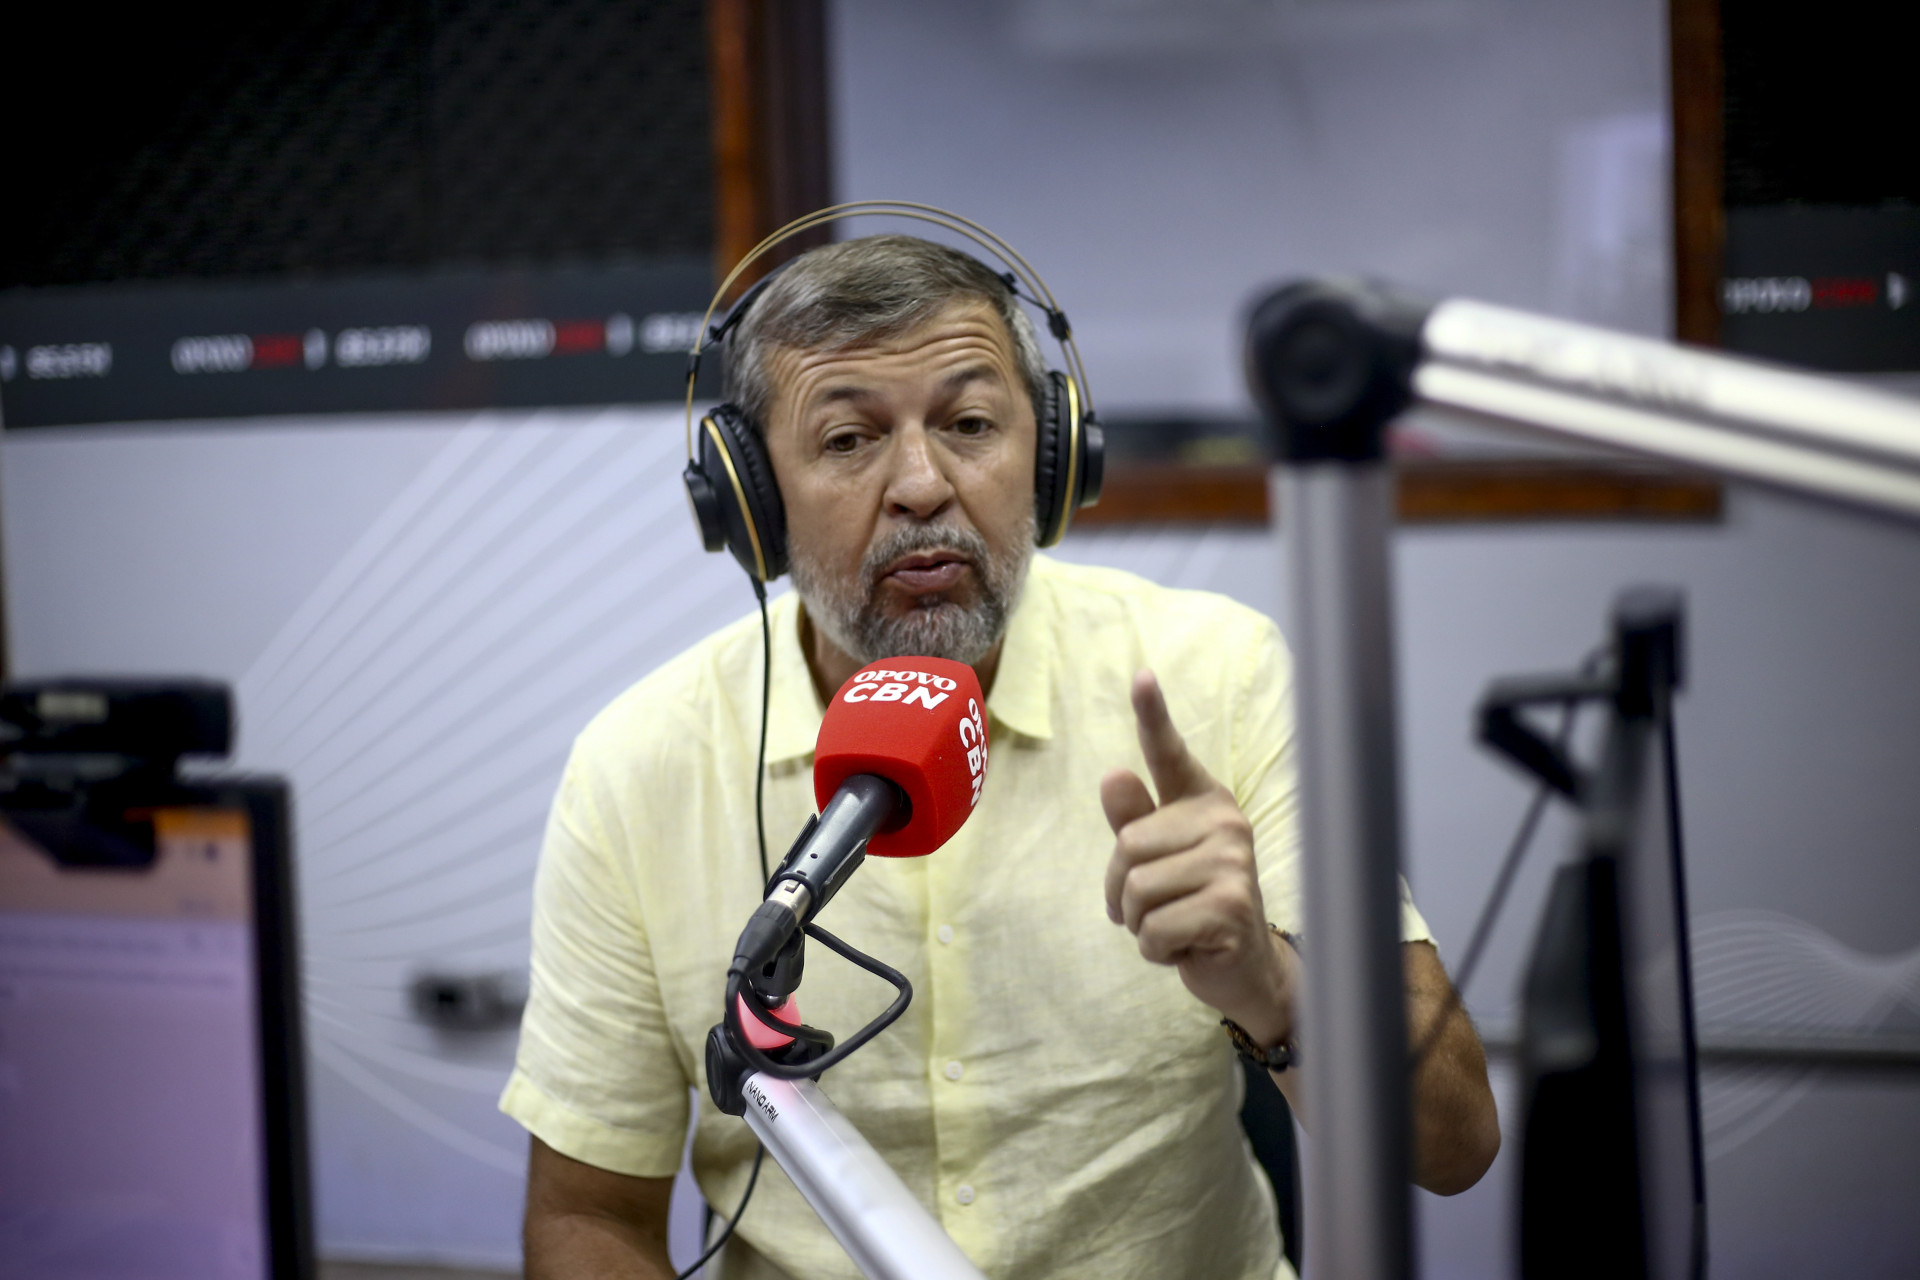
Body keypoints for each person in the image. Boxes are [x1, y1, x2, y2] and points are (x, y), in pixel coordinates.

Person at [500, 234, 1499, 1280]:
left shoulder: (1218, 677)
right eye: (847, 440)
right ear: (753, 502)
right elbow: (588, 1218)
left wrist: (1276, 985)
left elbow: (1456, 1142)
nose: (922, 485)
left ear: (1055, 451)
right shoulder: (639, 765)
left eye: (971, 424)